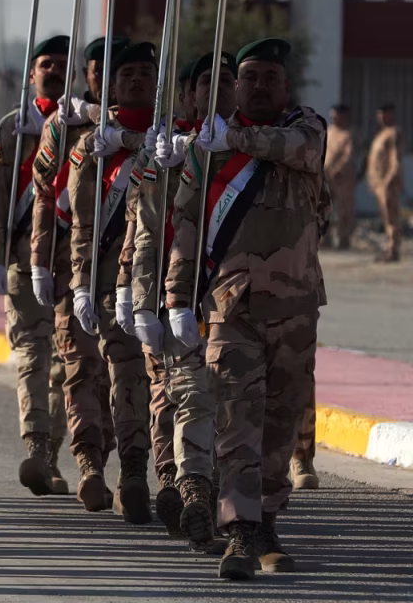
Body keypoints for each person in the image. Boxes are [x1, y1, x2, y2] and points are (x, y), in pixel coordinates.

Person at [166, 37, 325, 580]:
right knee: (236, 420)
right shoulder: (205, 149)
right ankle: (240, 530)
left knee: (281, 420)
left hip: (296, 309)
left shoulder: (306, 129)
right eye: (249, 77)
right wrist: (176, 298)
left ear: (286, 86)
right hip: (231, 308)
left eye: (269, 78)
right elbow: (186, 227)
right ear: (235, 86)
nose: (259, 87)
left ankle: (268, 522)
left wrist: (232, 137)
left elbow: (300, 153)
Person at [131, 50, 235, 551]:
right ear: (189, 94)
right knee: (183, 394)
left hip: (236, 296)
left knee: (218, 403)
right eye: (207, 82)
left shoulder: (252, 145)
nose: (219, 90)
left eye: (228, 81)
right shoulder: (165, 151)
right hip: (181, 295)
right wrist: (137, 298)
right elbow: (144, 230)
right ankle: (189, 490)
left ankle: (193, 489)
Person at [69, 40, 158, 525]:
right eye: (127, 75)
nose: (137, 80)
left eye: (146, 72)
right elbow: (82, 223)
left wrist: (143, 144)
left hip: (166, 284)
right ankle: (132, 473)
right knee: (125, 378)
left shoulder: (174, 137)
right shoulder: (92, 146)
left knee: (163, 386)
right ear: (111, 85)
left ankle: (167, 474)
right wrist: (81, 283)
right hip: (111, 285)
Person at [31, 37, 122, 509]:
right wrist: (39, 261)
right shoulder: (61, 125)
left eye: (119, 71)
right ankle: (89, 464)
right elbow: (45, 194)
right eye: (98, 71)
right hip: (76, 268)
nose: (107, 79)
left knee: (126, 376)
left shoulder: (156, 127)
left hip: (133, 272)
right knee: (81, 369)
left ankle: (128, 465)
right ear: (86, 75)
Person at [0, 35, 70, 497]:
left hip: (74, 264)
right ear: (31, 73)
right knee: (34, 357)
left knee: (68, 366)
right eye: (45, 64)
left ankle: (52, 452)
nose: (53, 71)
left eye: (62, 64)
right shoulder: (13, 128)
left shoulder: (87, 124)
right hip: (21, 261)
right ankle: (35, 448)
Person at [368, 103, 403, 263]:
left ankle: (393, 249)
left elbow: (396, 161)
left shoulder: (394, 133)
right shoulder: (381, 134)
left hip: (387, 183)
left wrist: (389, 180)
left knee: (391, 218)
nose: (381, 117)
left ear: (391, 114)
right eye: (379, 114)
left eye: (384, 113)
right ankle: (388, 247)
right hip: (378, 183)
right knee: (385, 217)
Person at [323, 104, 358, 250]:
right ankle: (325, 238)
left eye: (336, 115)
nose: (333, 117)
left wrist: (338, 169)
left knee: (344, 209)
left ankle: (344, 239)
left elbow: (348, 156)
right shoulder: (328, 131)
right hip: (325, 176)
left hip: (342, 179)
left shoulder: (348, 134)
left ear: (344, 116)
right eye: (332, 115)